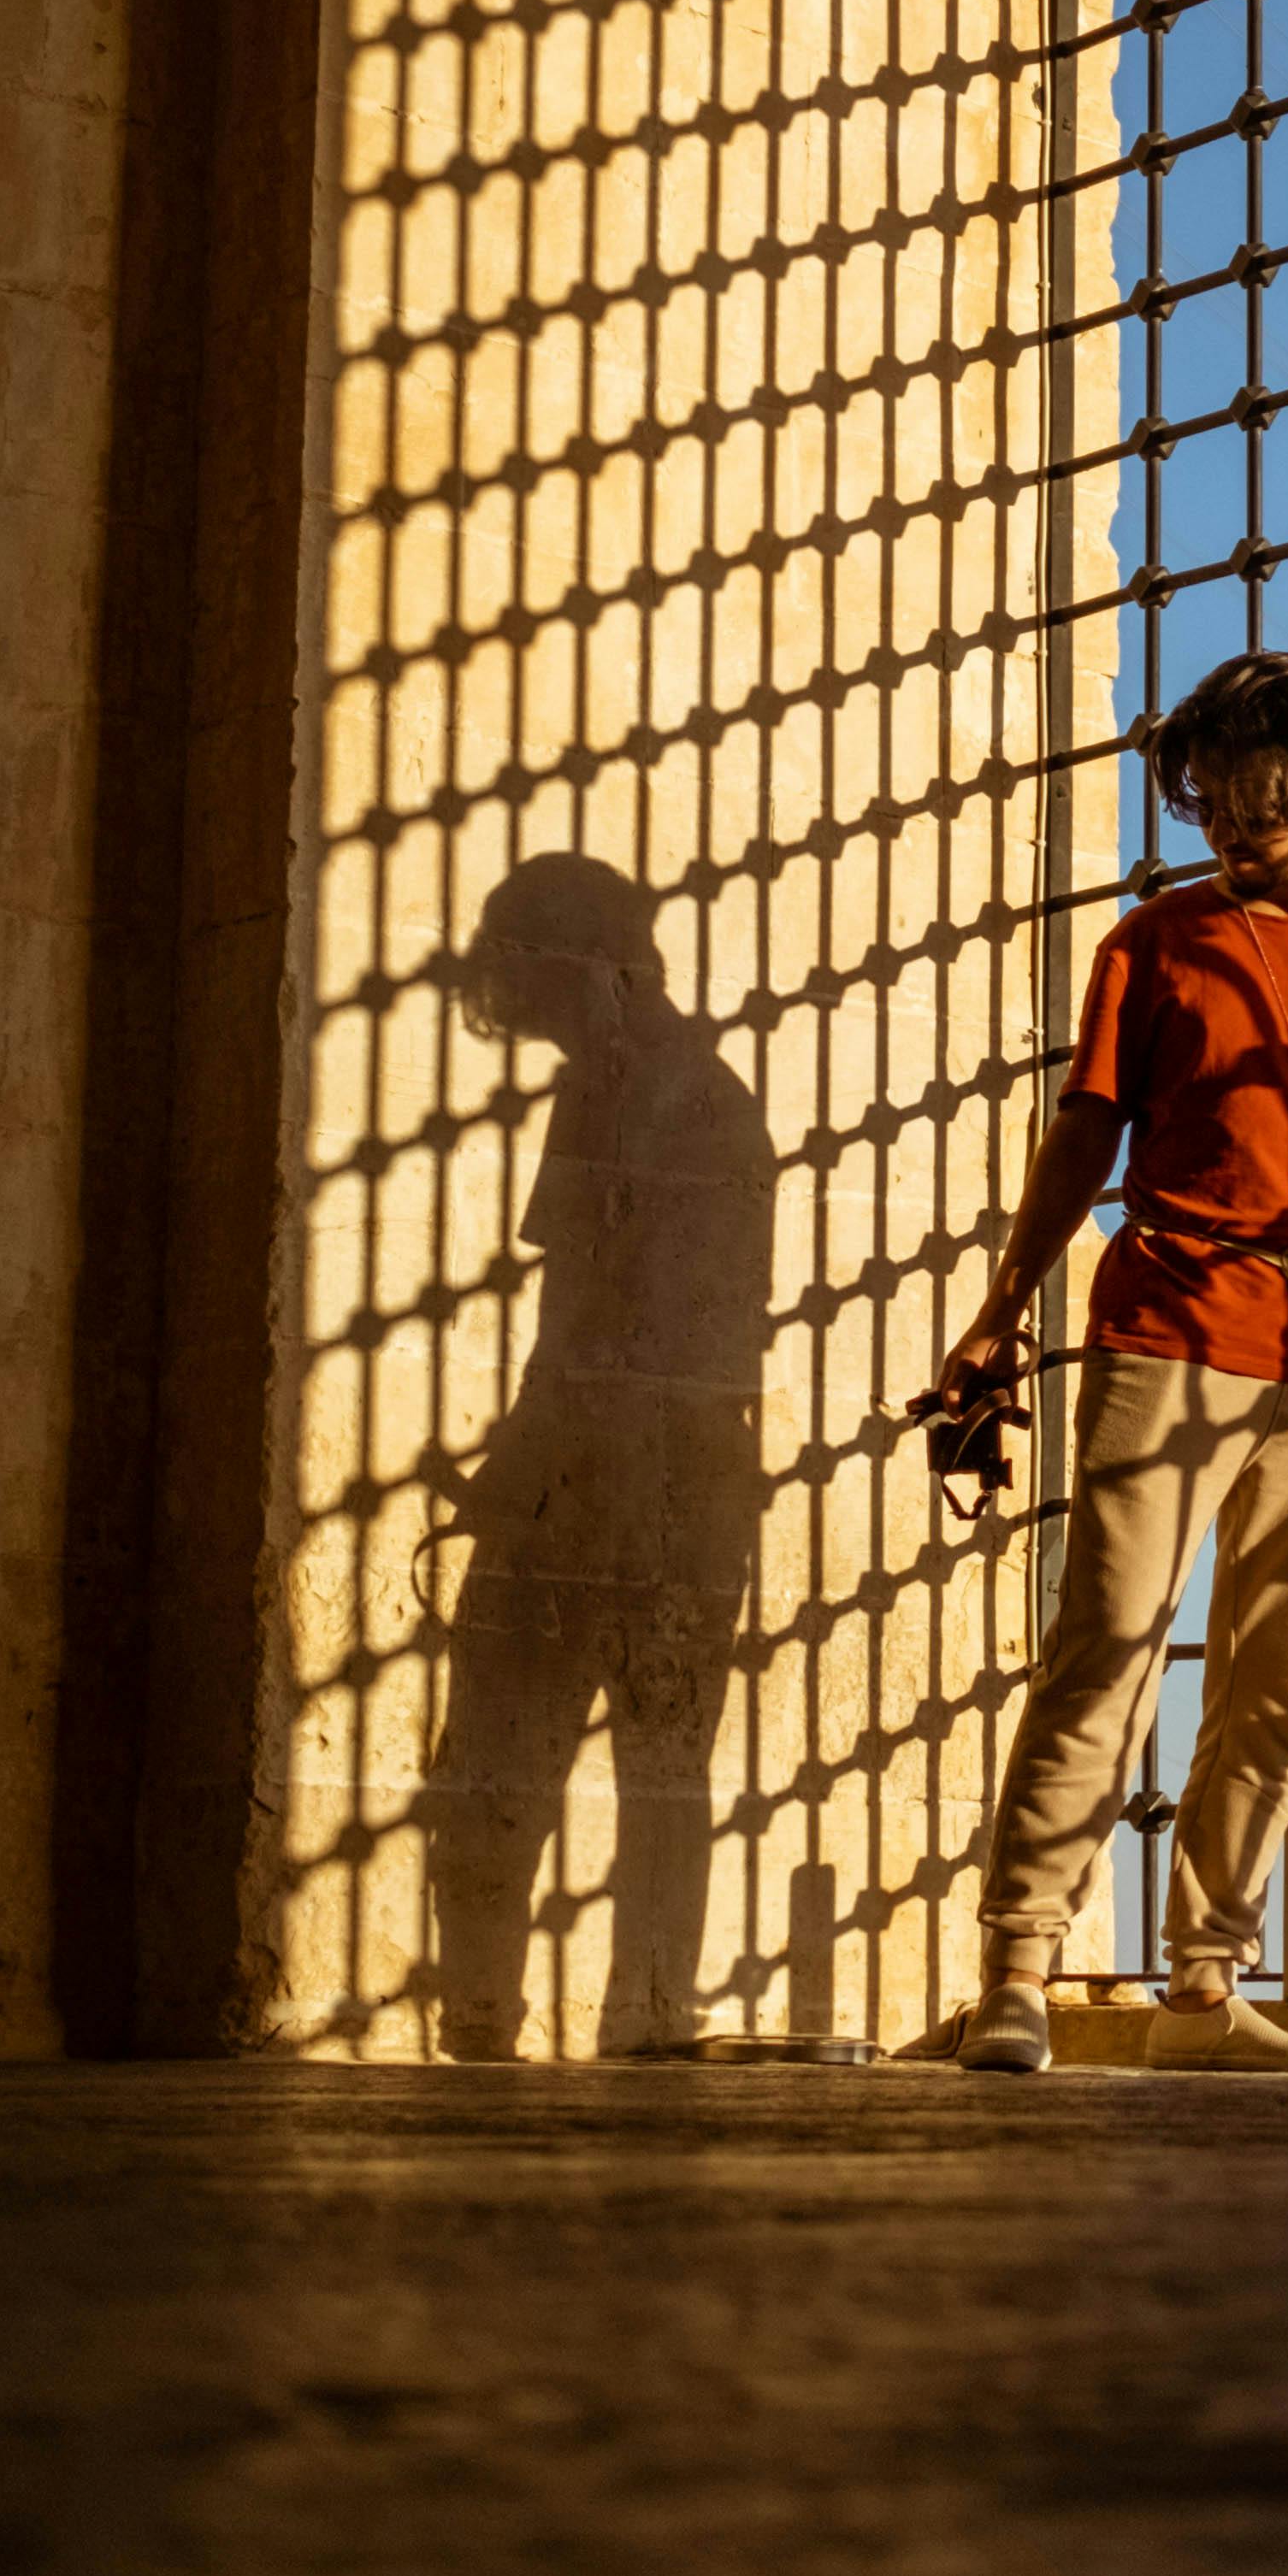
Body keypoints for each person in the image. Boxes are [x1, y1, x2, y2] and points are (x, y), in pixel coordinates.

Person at [930, 648, 1288, 2072]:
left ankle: (1201, 1989)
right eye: (1212, 803)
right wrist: (1003, 1304)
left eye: (1260, 802)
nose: (1234, 828)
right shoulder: (1154, 945)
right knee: (1107, 1645)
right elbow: (1086, 1133)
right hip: (1167, 1325)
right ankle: (1020, 1973)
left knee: (1279, 1677)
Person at [422, 853, 774, 2060]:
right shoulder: (649, 1087)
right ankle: (637, 2018)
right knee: (655, 1775)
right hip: (658, 1478)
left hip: (626, 1478)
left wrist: (526, 1460)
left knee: (501, 1767)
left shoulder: (657, 1097)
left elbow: (600, 1322)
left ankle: (501, 2024)